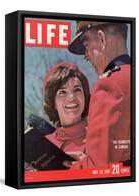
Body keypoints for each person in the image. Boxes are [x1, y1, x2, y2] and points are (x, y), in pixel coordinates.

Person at [68, 21, 131, 168]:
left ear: (102, 39)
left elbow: (99, 169)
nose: (86, 56)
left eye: (86, 46)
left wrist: (63, 166)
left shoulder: (110, 84)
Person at [43, 62, 90, 160]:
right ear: (53, 101)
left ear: (85, 97)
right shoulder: (43, 144)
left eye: (77, 90)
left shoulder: (99, 137)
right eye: (62, 92)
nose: (71, 97)